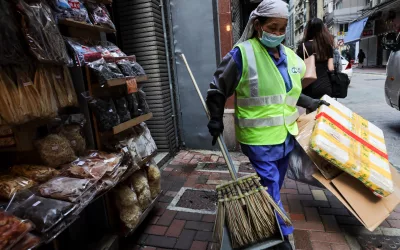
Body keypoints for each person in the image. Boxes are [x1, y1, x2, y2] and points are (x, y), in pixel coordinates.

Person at [205, 1, 329, 249]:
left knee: (273, 185)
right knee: (271, 185)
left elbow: (289, 95)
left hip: (284, 137)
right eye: (272, 27)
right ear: (257, 25)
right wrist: (216, 119)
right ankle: (281, 236)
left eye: (282, 28)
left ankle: (259, 214)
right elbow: (217, 88)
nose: (277, 33)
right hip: (258, 139)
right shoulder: (243, 54)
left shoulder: (291, 58)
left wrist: (313, 102)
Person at [297, 18, 335, 99]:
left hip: (309, 86)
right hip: (326, 85)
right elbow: (331, 68)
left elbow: (298, 68)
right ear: (323, 29)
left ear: (308, 29)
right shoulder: (328, 46)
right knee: (324, 111)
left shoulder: (303, 46)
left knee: (311, 111)